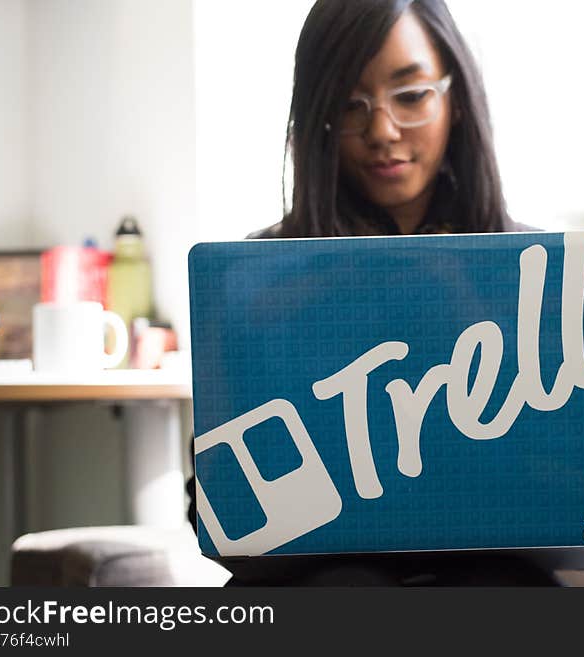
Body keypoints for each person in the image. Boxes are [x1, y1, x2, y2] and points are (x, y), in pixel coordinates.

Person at [186, 0, 555, 586]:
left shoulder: (539, 270)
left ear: (455, 98)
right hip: (319, 580)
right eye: (349, 105)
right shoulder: (255, 275)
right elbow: (222, 518)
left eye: (410, 96)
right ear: (318, 117)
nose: (382, 131)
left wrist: (467, 311)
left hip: (489, 572)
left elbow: (571, 479)